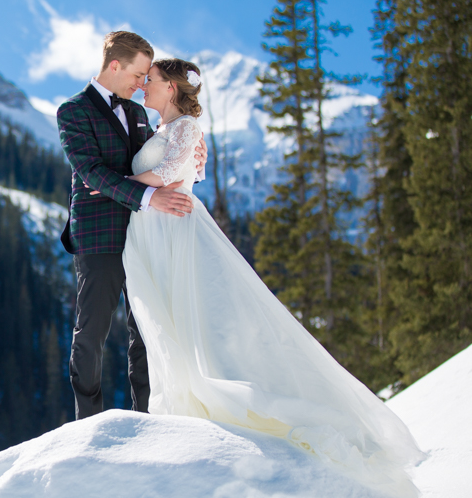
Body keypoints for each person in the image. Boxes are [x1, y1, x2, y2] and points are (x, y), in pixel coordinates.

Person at [122, 57, 423, 496]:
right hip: (155, 232)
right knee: (166, 321)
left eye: (151, 80)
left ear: (170, 88)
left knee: (192, 317)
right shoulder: (163, 130)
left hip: (175, 231)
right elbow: (186, 170)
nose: (144, 86)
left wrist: (114, 183)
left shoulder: (185, 125)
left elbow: (170, 174)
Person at [56, 31, 207, 420]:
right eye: (139, 75)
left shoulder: (140, 114)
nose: (142, 85)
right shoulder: (73, 111)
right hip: (99, 235)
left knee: (147, 331)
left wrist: (192, 157)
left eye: (148, 78)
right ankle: (87, 422)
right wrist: (148, 196)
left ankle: (149, 419)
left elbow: (160, 163)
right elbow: (90, 171)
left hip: (145, 234)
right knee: (92, 333)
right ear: (114, 65)